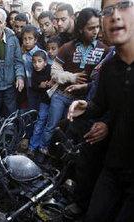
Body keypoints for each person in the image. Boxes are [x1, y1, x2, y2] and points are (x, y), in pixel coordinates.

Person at [69, 0, 134, 222]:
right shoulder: (110, 68)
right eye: (108, 10)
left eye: (125, 5)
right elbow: (104, 105)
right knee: (95, 218)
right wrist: (88, 107)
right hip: (114, 161)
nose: (115, 15)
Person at [40, 7, 108, 155]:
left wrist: (86, 86)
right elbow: (54, 72)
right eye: (91, 28)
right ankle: (44, 154)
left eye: (97, 27)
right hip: (61, 95)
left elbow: (103, 82)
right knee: (52, 126)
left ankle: (62, 160)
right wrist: (72, 77)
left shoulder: (105, 50)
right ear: (81, 28)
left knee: (68, 132)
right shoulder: (67, 47)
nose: (95, 31)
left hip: (81, 102)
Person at [27, 50, 52, 155]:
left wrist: (51, 82)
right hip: (44, 101)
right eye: (34, 62)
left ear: (45, 62)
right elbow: (34, 85)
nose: (36, 64)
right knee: (40, 121)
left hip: (55, 100)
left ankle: (44, 147)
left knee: (51, 124)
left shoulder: (51, 69)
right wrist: (40, 86)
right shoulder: (34, 73)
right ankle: (33, 147)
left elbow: (57, 78)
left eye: (39, 61)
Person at [21, 24, 42, 110]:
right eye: (25, 39)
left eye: (30, 38)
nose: (27, 41)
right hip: (29, 87)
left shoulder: (41, 54)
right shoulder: (22, 54)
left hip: (40, 87)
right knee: (31, 108)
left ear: (35, 40)